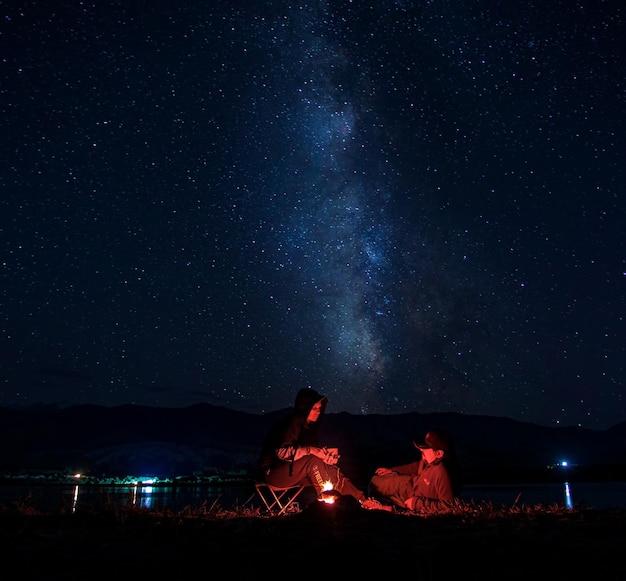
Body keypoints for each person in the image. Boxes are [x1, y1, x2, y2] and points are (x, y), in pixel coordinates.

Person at [258, 387, 385, 509]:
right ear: (305, 408)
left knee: (330, 468)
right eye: (314, 408)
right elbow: (282, 453)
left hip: (295, 473)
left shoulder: (310, 429)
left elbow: (312, 455)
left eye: (319, 408)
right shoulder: (292, 422)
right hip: (273, 474)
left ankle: (363, 501)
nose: (318, 411)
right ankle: (328, 502)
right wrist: (312, 451)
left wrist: (327, 458)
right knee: (313, 460)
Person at [367, 429, 460, 514]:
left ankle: (389, 507)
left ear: (439, 453)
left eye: (425, 447)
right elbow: (416, 467)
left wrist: (416, 503)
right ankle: (385, 504)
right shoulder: (429, 461)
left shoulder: (443, 473)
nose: (420, 449)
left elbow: (448, 506)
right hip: (408, 484)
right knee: (375, 481)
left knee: (375, 493)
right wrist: (392, 470)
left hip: (411, 499)